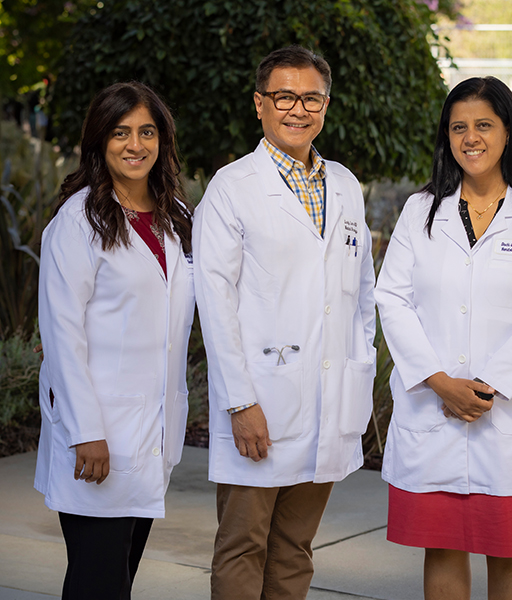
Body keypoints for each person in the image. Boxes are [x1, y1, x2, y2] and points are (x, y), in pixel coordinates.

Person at [374, 76, 512, 600]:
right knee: (441, 546)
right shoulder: (421, 211)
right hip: (432, 409)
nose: (471, 138)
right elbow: (391, 298)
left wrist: (485, 384)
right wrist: (441, 383)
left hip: (511, 415)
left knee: (509, 551)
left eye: (484, 125)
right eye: (458, 127)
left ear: (508, 131)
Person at [193, 46, 377, 600]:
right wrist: (240, 402)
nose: (298, 109)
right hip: (261, 404)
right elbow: (215, 300)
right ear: (259, 104)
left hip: (326, 400)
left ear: (326, 104)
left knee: (296, 548)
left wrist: (358, 371)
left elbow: (361, 295)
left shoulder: (344, 184)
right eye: (284, 96)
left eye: (311, 98)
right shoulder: (232, 187)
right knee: (243, 546)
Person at [33, 81, 195, 600]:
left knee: (115, 580)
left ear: (162, 140)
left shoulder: (177, 218)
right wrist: (86, 431)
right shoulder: (77, 222)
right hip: (97, 434)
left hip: (151, 434)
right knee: (97, 584)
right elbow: (62, 334)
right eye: (121, 132)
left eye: (147, 132)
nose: (135, 145)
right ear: (99, 141)